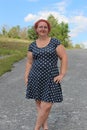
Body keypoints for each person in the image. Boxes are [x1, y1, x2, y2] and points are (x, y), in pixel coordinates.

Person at [24, 19, 68, 130]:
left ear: (48, 29)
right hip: (35, 77)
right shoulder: (32, 45)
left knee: (46, 105)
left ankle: (36, 128)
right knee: (39, 104)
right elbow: (29, 62)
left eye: (45, 27)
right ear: (36, 29)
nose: (43, 29)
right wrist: (26, 76)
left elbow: (64, 57)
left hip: (50, 78)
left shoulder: (55, 42)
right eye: (40, 27)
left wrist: (62, 73)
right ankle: (45, 126)